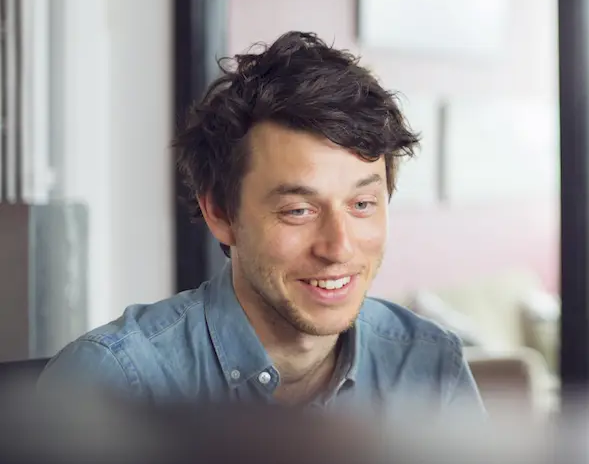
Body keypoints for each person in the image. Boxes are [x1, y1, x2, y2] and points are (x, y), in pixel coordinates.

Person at [40, 32, 483, 412]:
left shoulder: (429, 367)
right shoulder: (112, 383)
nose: (339, 247)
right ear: (220, 213)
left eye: (362, 204)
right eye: (298, 211)